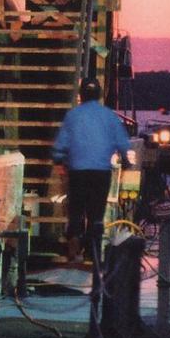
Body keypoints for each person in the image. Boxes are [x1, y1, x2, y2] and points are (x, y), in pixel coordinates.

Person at [52, 78, 131, 262]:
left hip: (77, 171)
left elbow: (60, 145)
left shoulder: (73, 115)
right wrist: (126, 160)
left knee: (76, 211)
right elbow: (123, 143)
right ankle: (92, 252)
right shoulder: (109, 116)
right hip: (100, 173)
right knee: (96, 214)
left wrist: (58, 160)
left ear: (81, 94)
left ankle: (74, 242)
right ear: (99, 94)